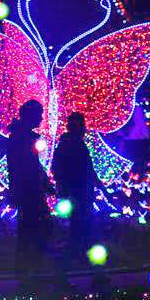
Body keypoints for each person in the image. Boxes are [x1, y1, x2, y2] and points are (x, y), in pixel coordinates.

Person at [52, 112, 109, 280]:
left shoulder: (71, 144)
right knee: (82, 234)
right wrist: (70, 193)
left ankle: (83, 271)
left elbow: (84, 169)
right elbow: (63, 171)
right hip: (79, 196)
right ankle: (68, 272)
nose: (84, 128)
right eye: (81, 125)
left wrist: (98, 185)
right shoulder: (71, 145)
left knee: (81, 233)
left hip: (80, 195)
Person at [6, 100, 53, 287]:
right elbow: (25, 166)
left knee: (30, 230)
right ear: (29, 115)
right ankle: (30, 273)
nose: (41, 118)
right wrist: (43, 183)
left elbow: (32, 164)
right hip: (29, 191)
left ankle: (28, 272)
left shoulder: (21, 137)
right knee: (37, 229)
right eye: (39, 114)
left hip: (29, 190)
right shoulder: (21, 138)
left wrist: (46, 183)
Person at [120, 104, 150, 172]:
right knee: (135, 159)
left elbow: (141, 121)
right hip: (134, 139)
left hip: (135, 139)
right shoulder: (132, 109)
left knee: (134, 159)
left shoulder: (135, 109)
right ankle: (136, 172)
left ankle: (136, 172)